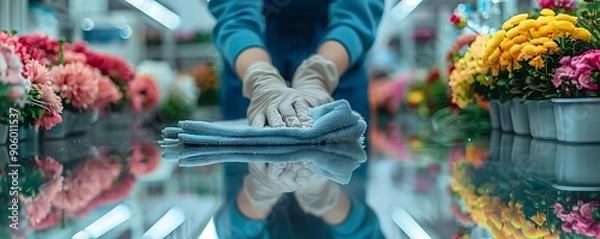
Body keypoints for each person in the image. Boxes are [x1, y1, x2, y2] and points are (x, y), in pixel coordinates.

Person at [208, 0, 385, 127]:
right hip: (250, 49)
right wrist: (259, 75)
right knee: (245, 157)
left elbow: (357, 13)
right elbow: (235, 16)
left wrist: (320, 73)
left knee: (342, 154)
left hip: (337, 49)